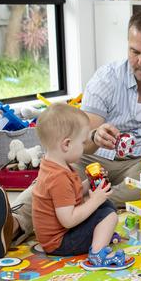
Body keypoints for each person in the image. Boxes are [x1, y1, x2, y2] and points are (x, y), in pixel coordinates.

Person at [0, 9, 141, 258]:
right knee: (56, 173)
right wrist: (95, 136)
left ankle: (81, 206)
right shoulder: (107, 78)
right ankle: (14, 224)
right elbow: (77, 143)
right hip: (94, 159)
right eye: (134, 52)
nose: (140, 61)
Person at [31, 103, 130, 269]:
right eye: (83, 143)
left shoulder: (56, 165)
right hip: (60, 243)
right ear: (67, 144)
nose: (85, 147)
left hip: (60, 236)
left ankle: (99, 236)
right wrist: (94, 200)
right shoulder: (58, 178)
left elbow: (72, 193)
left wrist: (90, 184)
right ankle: (98, 254)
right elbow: (68, 220)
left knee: (105, 205)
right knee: (108, 214)